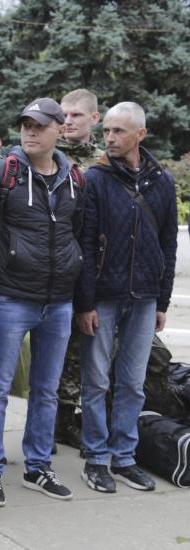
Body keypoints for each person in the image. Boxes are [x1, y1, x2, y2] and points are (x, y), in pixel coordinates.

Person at [0, 98, 84, 507]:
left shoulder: (74, 180)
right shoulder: (1, 174)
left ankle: (37, 467)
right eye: (25, 125)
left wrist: (74, 286)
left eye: (39, 125)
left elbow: (76, 236)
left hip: (58, 303)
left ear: (58, 131)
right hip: (10, 299)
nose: (30, 131)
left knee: (46, 391)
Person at [76, 102, 177, 493]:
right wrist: (84, 302)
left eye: (119, 132)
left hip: (145, 295)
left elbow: (168, 243)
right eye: (107, 132)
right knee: (97, 380)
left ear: (141, 134)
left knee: (133, 383)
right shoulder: (96, 179)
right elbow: (84, 242)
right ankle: (97, 458)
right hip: (103, 294)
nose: (111, 139)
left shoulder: (161, 181)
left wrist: (163, 301)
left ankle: (124, 457)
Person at [54, 88, 105, 448]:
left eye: (76, 115)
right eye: (64, 115)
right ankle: (57, 418)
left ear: (94, 119)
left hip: (97, 270)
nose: (68, 121)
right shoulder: (47, 155)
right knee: (57, 348)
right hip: (56, 265)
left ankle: (77, 415)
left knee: (89, 346)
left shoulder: (103, 163)